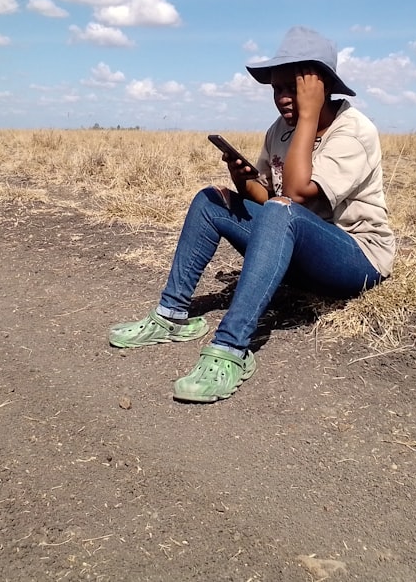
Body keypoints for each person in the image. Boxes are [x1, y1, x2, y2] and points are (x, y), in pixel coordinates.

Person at [109, 26, 395, 403]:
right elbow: (272, 200)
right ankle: (171, 315)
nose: (283, 99)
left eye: (293, 88)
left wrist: (308, 119)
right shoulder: (280, 130)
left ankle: (230, 349)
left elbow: (293, 199)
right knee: (212, 200)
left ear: (321, 87)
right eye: (277, 89)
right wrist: (244, 184)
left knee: (283, 210)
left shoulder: (354, 131)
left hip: (355, 259)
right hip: (297, 246)